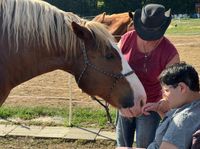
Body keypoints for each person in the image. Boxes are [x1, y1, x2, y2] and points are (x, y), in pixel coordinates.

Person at [116, 4, 180, 148]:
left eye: (154, 35)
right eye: (145, 32)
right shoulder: (126, 39)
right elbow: (114, 70)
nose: (149, 39)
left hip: (150, 107)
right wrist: (116, 98)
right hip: (125, 101)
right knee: (122, 145)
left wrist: (159, 105)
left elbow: (172, 90)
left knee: (144, 145)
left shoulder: (171, 54)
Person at [145, 62, 200, 149]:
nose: (163, 96)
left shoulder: (183, 120)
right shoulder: (194, 106)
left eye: (166, 90)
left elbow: (179, 129)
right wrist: (162, 113)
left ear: (182, 88)